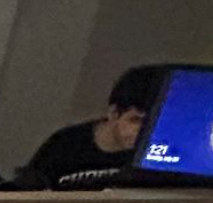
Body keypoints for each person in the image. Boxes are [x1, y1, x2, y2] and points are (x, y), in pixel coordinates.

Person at [13, 65, 164, 190]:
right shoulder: (65, 144)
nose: (143, 131)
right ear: (113, 113)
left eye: (153, 122)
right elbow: (28, 191)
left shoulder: (154, 154)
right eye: (136, 120)